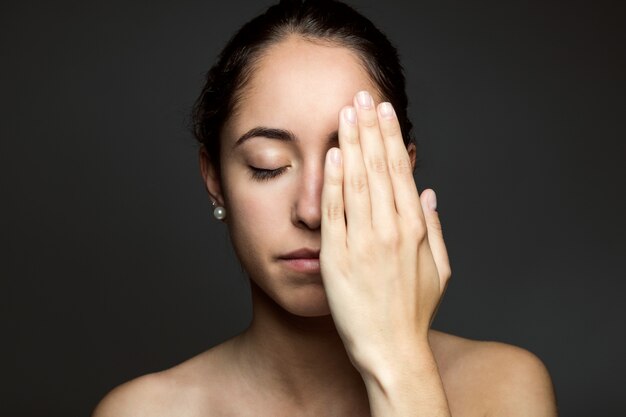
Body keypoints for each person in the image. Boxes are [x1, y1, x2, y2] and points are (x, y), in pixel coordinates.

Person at [93, 1, 558, 415]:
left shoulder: (504, 387)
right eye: (268, 166)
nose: (312, 212)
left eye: (348, 163)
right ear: (214, 179)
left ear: (399, 170)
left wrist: (398, 362)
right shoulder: (143, 410)